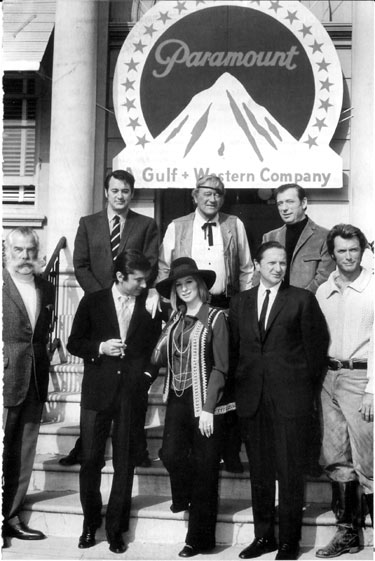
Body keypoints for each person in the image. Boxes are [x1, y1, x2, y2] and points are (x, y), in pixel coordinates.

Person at [229, 241, 329, 560]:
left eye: (282, 263)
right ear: (257, 265)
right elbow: (234, 352)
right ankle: (264, 537)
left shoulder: (301, 300)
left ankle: (288, 541)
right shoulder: (240, 302)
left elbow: (316, 352)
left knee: (289, 471)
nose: (277, 268)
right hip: (252, 399)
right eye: (271, 263)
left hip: (290, 399)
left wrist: (299, 389)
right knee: (259, 471)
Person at [60, 169, 159, 467]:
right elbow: (80, 264)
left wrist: (134, 293)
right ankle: (86, 446)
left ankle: (136, 449)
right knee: (99, 387)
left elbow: (151, 264)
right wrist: (104, 298)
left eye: (125, 191)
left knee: (131, 386)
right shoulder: (88, 224)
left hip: (132, 308)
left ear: (132, 193)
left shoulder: (146, 225)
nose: (120, 196)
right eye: (115, 190)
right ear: (106, 192)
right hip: (100, 312)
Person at [66, 250, 161, 554]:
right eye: (138, 279)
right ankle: (90, 524)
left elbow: (155, 351)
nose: (143, 285)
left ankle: (116, 529)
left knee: (124, 463)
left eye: (146, 279)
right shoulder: (93, 301)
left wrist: (145, 378)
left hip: (130, 396)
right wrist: (99, 347)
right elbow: (74, 343)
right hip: (97, 393)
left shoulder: (150, 306)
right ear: (120, 277)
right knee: (91, 460)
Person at [158, 173, 254, 473]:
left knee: (228, 375)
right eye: (207, 193)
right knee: (199, 376)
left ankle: (230, 448)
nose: (213, 199)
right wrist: (173, 306)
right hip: (192, 309)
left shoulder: (234, 224)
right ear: (194, 195)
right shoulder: (177, 226)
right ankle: (192, 445)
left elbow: (247, 269)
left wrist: (242, 309)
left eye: (219, 194)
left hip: (226, 308)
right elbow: (164, 268)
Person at [155, 257, 234, 558]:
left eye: (189, 282)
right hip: (177, 398)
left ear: (200, 285)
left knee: (205, 469)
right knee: (169, 453)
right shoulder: (175, 320)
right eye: (179, 284)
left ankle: (198, 540)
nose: (185, 288)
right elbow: (158, 357)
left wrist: (209, 409)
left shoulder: (215, 318)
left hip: (206, 401)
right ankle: (184, 497)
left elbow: (221, 368)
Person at [315, 224, 374, 558]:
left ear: (362, 250)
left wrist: (372, 389)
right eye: (342, 251)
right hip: (329, 377)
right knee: (336, 456)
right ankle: (348, 533)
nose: (348, 256)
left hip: (361, 378)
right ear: (332, 253)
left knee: (368, 457)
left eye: (353, 250)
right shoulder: (325, 290)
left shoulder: (373, 286)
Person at [2, 227, 54, 546]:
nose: (25, 257)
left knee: (24, 452)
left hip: (35, 377)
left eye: (30, 250)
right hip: (6, 375)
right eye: (18, 250)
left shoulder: (45, 288)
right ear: (8, 251)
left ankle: (11, 516)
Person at [262, 183, 335, 293]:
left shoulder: (324, 236)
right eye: (280, 204)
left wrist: (298, 301)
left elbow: (324, 277)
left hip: (307, 305)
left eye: (290, 202)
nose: (284, 208)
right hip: (273, 304)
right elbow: (260, 274)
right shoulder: (269, 237)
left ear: (304, 203)